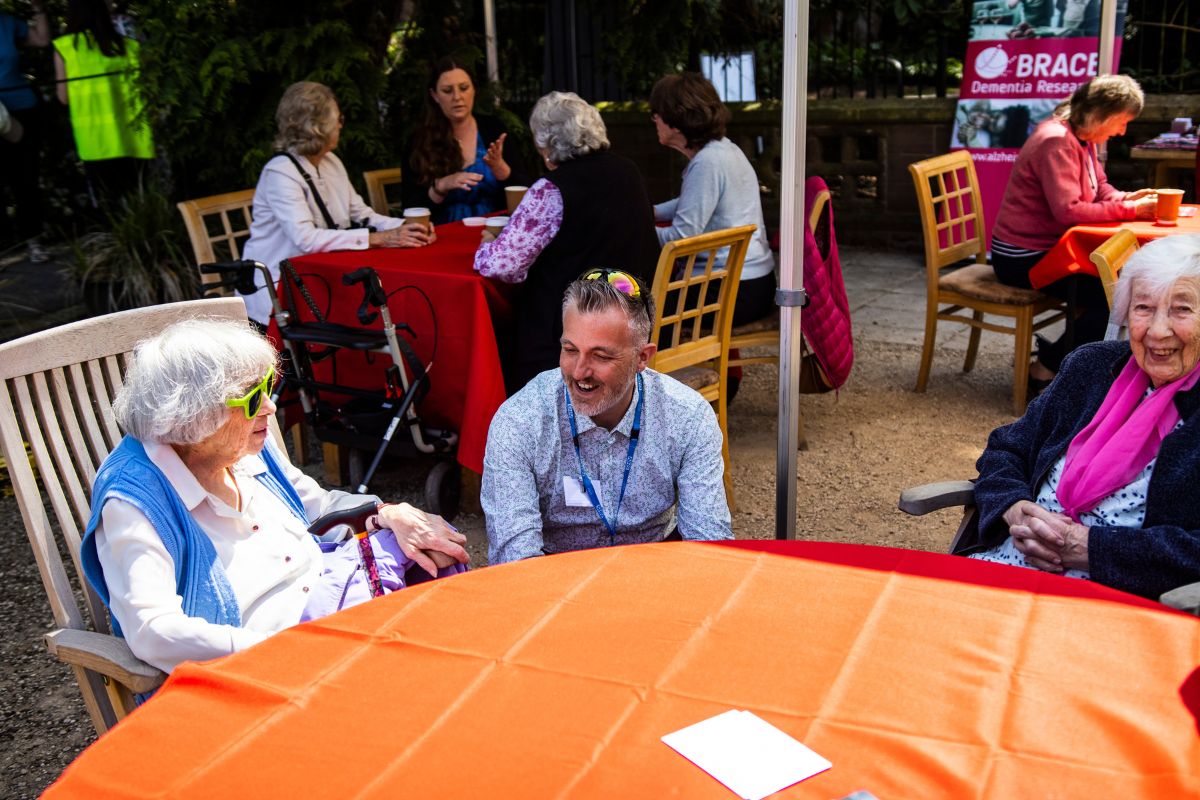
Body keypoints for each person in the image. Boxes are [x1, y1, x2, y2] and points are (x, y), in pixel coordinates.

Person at [79, 318, 470, 675]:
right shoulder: (134, 502)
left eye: (268, 386)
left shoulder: (240, 446)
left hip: (327, 590)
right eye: (252, 398)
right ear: (193, 418)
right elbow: (154, 631)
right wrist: (280, 649)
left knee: (434, 553)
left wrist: (390, 513)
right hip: (273, 652)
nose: (270, 405)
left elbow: (317, 506)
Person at [966, 236, 1200, 600]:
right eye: (1143, 307)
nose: (1156, 330)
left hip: (1116, 603)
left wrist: (1090, 549)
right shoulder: (1091, 368)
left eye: (1181, 310)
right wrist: (1013, 508)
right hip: (1006, 568)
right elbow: (1006, 449)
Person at [482, 270, 732, 564]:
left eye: (601, 356)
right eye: (570, 350)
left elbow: (710, 547)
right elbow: (515, 560)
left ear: (642, 358)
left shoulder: (687, 416)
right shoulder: (521, 421)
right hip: (554, 576)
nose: (579, 372)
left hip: (656, 571)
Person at [474, 91, 659, 391]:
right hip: (630, 315)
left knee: (505, 329)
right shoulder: (629, 170)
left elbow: (503, 266)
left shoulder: (551, 189)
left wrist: (487, 244)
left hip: (571, 334)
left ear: (546, 145)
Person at [991, 75, 1157, 393]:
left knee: (1118, 288)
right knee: (1117, 299)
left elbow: (1100, 186)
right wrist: (1134, 212)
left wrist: (1127, 199)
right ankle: (1045, 368)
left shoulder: (1080, 136)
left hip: (1047, 249)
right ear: (1101, 116)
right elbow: (1069, 211)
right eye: (1121, 123)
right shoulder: (1055, 140)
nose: (1122, 131)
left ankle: (1073, 368)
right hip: (1022, 257)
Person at [241, 81, 434, 327]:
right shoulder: (280, 172)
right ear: (317, 127)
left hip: (319, 279)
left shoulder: (331, 161)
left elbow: (362, 214)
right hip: (278, 293)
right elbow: (306, 239)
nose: (341, 124)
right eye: (337, 118)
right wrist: (380, 238)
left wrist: (409, 226)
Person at [649, 73, 776, 326]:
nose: (654, 120)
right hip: (752, 284)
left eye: (657, 114)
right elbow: (694, 202)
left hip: (727, 291)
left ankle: (660, 365)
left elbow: (680, 239)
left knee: (632, 308)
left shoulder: (707, 163)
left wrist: (636, 231)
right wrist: (650, 212)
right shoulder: (725, 150)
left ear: (676, 119)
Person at [400, 57, 528, 224]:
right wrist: (440, 187)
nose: (457, 97)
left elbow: (528, 192)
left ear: (474, 90)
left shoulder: (494, 129)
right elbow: (410, 208)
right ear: (434, 96)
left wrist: (502, 170)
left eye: (464, 88)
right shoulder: (419, 140)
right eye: (447, 90)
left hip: (495, 233)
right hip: (442, 236)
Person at [53, 0, 154, 205]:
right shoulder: (131, 47)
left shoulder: (64, 48)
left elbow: (63, 98)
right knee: (140, 201)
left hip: (94, 141)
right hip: (134, 138)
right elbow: (148, 88)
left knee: (109, 206)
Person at [0, 2, 48, 262]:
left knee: (25, 178)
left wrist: (39, 9)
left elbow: (41, 40)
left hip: (21, 108)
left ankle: (34, 242)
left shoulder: (6, 22)